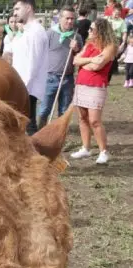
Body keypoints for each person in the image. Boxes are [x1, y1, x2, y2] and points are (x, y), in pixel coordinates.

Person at [70, 18, 117, 164]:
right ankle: (86, 148)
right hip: (81, 84)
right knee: (82, 118)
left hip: (96, 86)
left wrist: (85, 62)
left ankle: (104, 151)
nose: (89, 31)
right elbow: (75, 60)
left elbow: (98, 66)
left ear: (100, 31)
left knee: (95, 120)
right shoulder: (89, 44)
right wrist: (90, 60)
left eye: (92, 29)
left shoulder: (110, 46)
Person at [37, 6, 83, 130]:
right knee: (44, 109)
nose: (70, 21)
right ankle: (41, 132)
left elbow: (81, 58)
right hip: (50, 77)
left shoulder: (76, 37)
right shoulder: (49, 34)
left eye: (72, 19)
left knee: (64, 110)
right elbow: (40, 54)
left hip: (67, 79)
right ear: (60, 18)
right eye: (67, 18)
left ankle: (60, 135)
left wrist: (76, 49)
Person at [12, 0, 49, 135]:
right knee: (25, 123)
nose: (14, 13)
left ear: (28, 8)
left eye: (17, 9)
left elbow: (33, 64)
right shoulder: (27, 31)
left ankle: (37, 153)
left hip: (27, 87)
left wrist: (23, 89)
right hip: (22, 85)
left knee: (29, 125)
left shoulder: (35, 32)